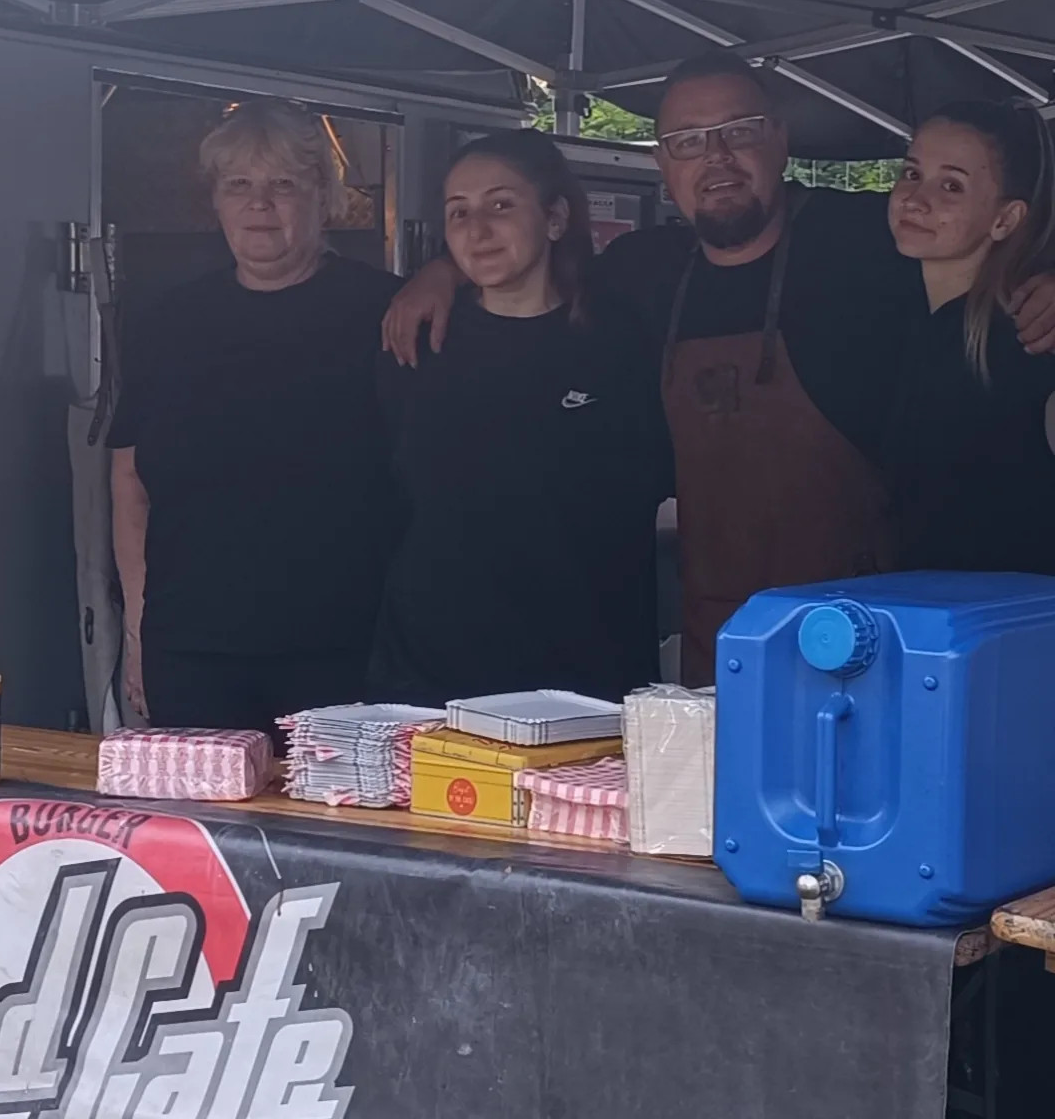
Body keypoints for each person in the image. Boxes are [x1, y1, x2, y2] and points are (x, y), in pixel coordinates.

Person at [383, 53, 1055, 685]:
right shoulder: (639, 272)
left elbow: (990, 223)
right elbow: (526, 254)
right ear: (662, 164)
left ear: (781, 140)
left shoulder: (865, 236)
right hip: (722, 647)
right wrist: (441, 272)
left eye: (739, 131)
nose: (717, 157)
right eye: (688, 141)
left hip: (866, 635)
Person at [108, 99, 398, 734]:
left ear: (324, 197)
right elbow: (130, 478)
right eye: (238, 184)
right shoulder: (168, 320)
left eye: (283, 184)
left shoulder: (385, 312)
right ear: (216, 201)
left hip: (343, 651)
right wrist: (137, 625)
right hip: (192, 649)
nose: (259, 203)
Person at [369, 129, 671, 707]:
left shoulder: (623, 340)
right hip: (429, 675)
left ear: (555, 218)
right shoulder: (414, 343)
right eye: (459, 212)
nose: (477, 229)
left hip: (585, 676)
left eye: (501, 205)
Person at [883, 100, 1055, 573]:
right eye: (912, 173)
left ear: (1005, 220)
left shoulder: (1031, 339)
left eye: (951, 186)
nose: (915, 199)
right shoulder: (902, 320)